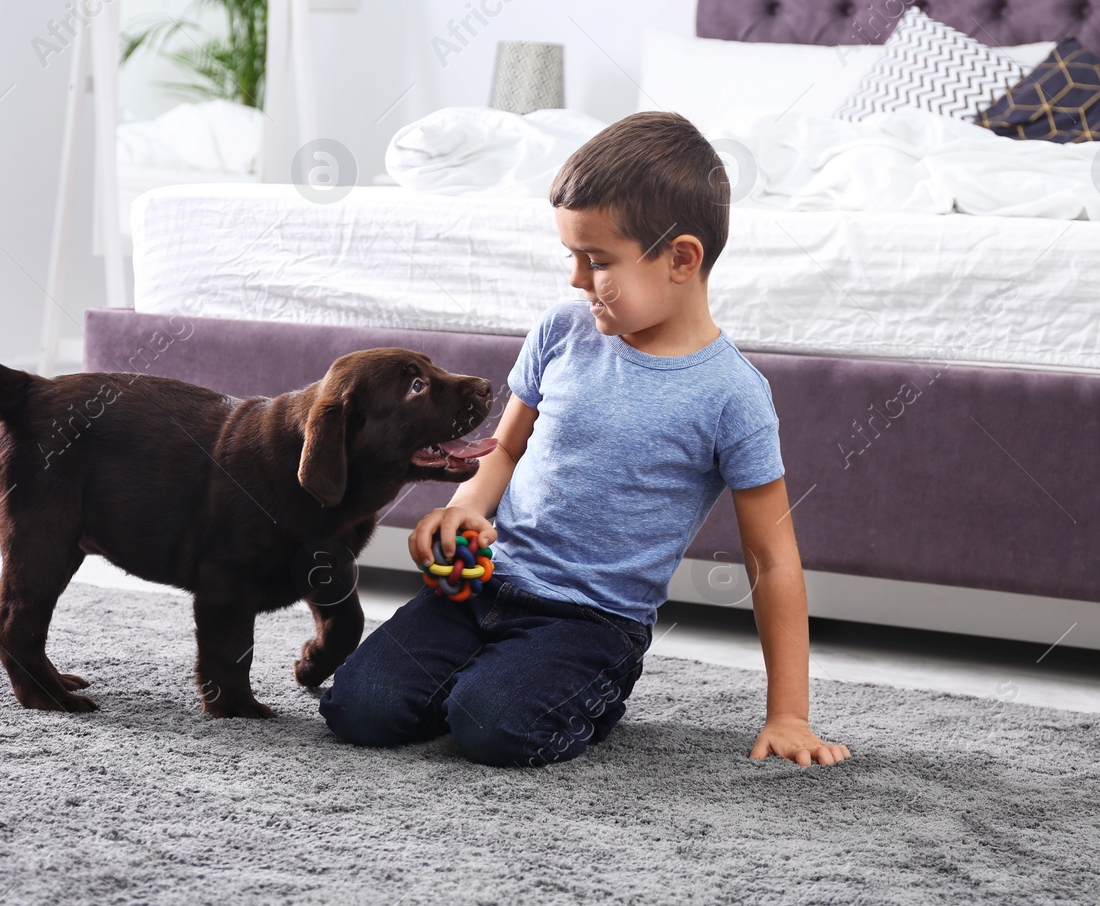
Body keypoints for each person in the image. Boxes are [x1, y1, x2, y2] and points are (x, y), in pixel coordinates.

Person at [319, 111, 850, 769]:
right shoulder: (561, 331)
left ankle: (548, 688)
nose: (576, 278)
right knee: (357, 708)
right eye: (571, 256)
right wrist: (465, 510)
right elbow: (505, 450)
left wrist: (789, 714)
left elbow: (773, 561)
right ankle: (483, 674)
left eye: (596, 261)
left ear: (682, 258)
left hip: (589, 621)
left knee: (491, 727)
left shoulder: (731, 396)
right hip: (482, 584)